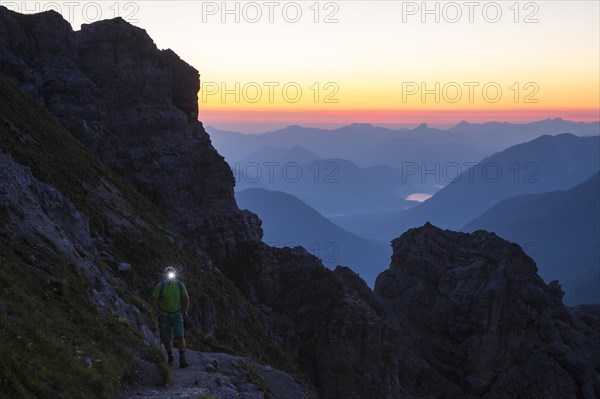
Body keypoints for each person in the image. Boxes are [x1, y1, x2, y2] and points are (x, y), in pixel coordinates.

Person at [152, 267, 190, 368]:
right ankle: (170, 357)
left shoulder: (179, 284)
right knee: (167, 338)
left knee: (180, 335)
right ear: (165, 275)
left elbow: (186, 298)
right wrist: (157, 310)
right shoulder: (160, 286)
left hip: (177, 314)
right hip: (164, 315)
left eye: (172, 274)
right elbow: (154, 299)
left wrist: (185, 311)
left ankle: (182, 358)